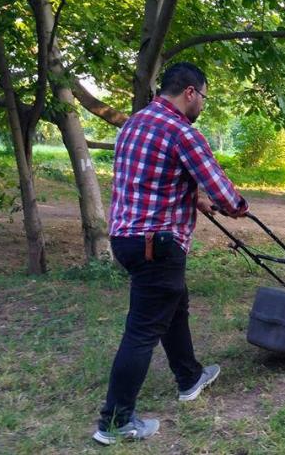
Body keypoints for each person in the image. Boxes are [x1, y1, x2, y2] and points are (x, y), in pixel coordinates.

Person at [93, 62, 248, 445]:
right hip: (157, 243)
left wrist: (190, 196)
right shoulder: (182, 132)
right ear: (191, 92)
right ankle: (115, 421)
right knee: (143, 329)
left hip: (126, 238)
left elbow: (149, 178)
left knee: (173, 303)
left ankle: (189, 377)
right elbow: (220, 187)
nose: (203, 106)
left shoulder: (136, 122)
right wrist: (238, 206)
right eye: (204, 98)